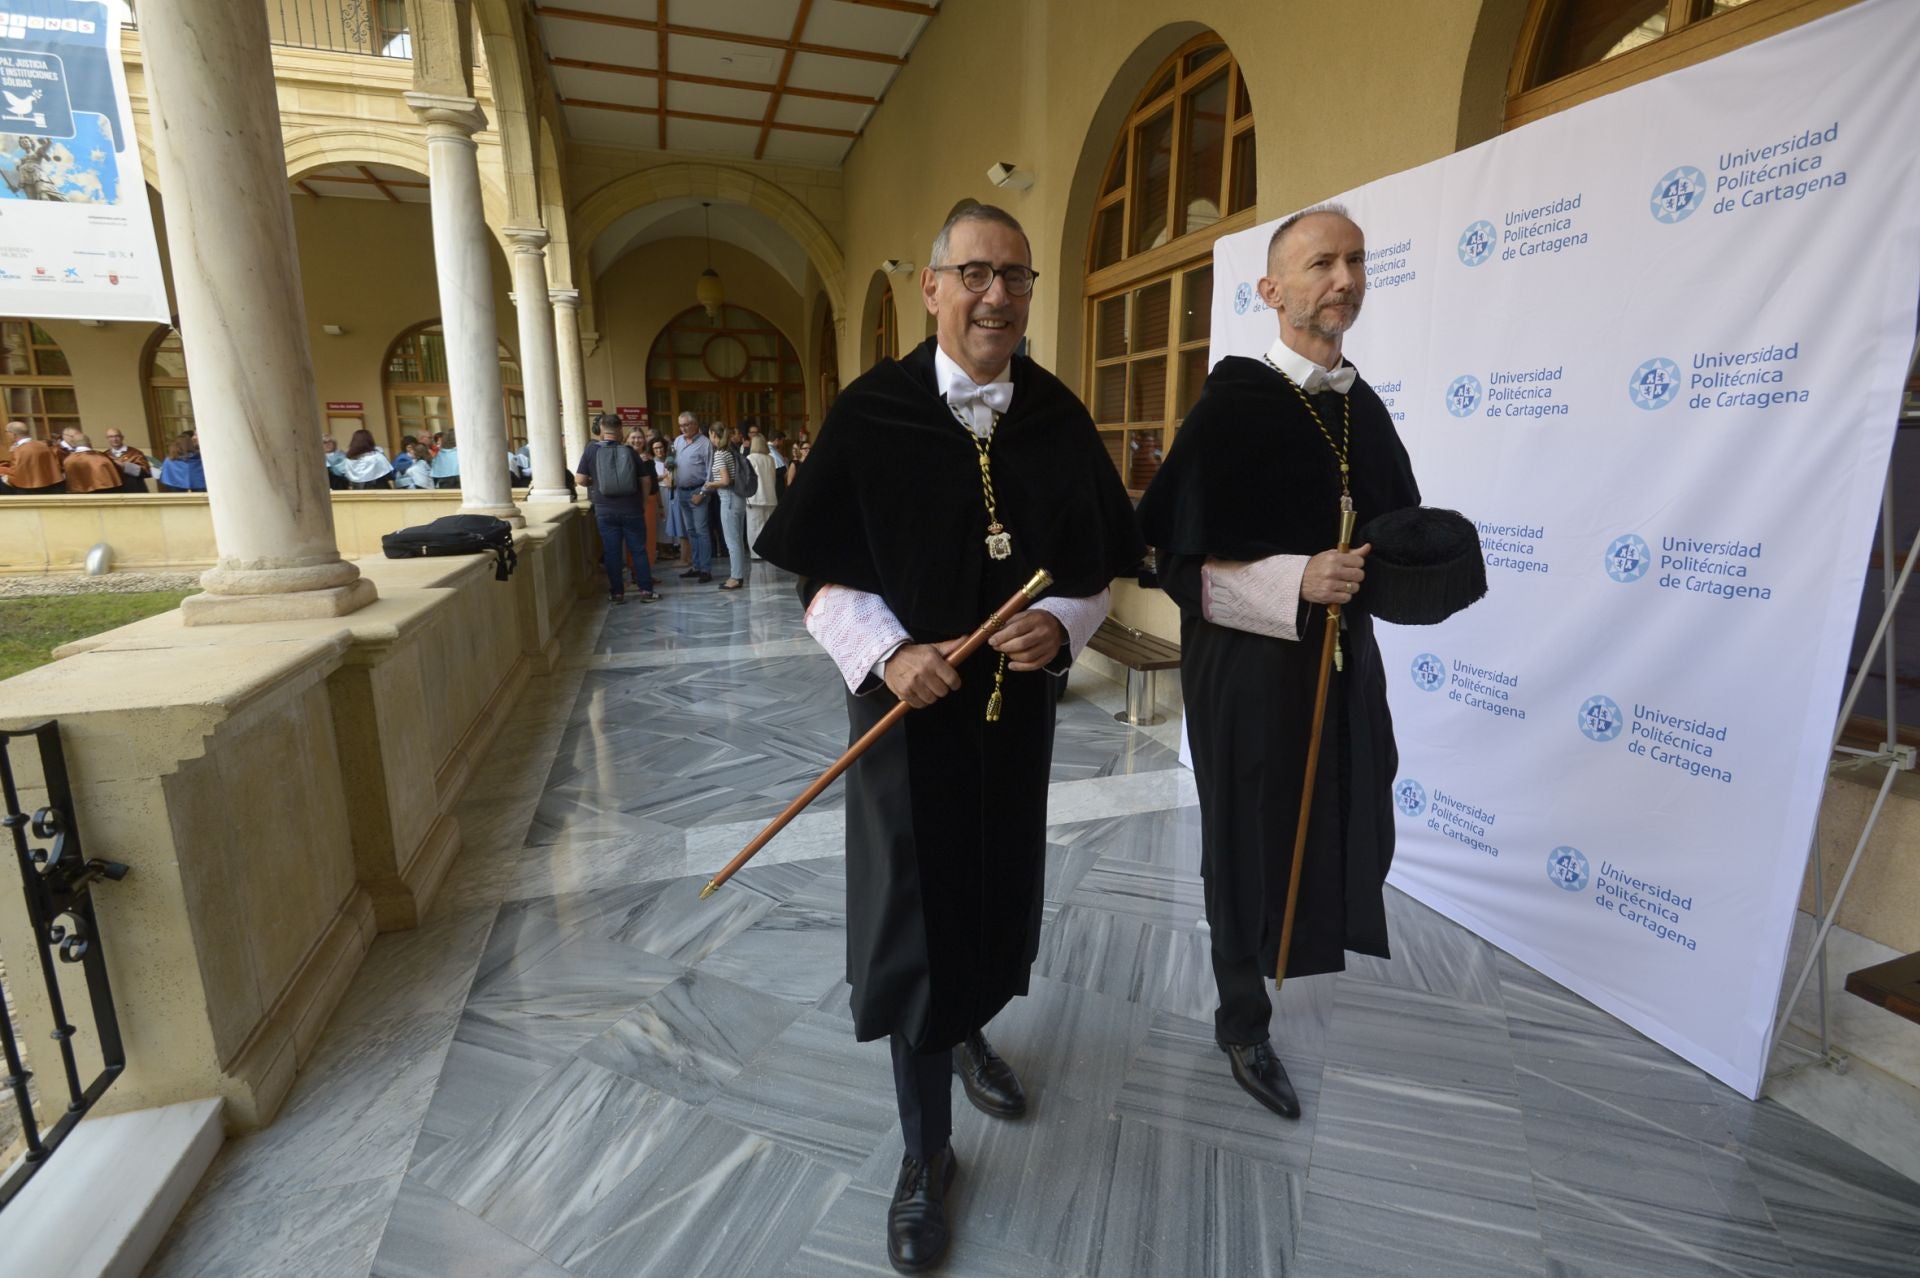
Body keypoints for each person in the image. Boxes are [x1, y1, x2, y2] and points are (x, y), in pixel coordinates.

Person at [755, 202, 1140, 1273]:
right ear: (931, 289)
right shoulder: (871, 413)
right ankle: (927, 1156)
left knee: (987, 894)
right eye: (975, 274)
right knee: (917, 921)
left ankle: (969, 1027)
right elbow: (818, 571)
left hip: (1012, 726)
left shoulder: (1057, 418)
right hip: (905, 726)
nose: (998, 297)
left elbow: (1094, 569)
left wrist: (1055, 623)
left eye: (1015, 278)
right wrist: (888, 655)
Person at [1136, 205, 1420, 1122]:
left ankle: (1302, 947)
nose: (1344, 279)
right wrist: (1301, 577)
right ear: (1273, 291)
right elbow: (1175, 564)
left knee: (1345, 813)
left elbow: (1391, 535)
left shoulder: (1363, 410)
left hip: (1340, 676)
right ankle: (1242, 1019)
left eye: (1356, 261)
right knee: (1242, 839)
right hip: (1249, 676)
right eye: (1320, 264)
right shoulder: (1233, 405)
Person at [575, 415, 659, 604]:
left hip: (605, 510)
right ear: (620, 430)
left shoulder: (591, 450)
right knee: (638, 550)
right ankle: (646, 591)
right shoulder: (629, 451)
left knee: (612, 552)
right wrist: (643, 501)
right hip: (632, 509)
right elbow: (645, 480)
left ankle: (617, 594)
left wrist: (595, 482)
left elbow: (580, 479)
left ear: (602, 430)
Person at [702, 422, 749, 590]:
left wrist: (710, 484)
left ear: (714, 434)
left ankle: (736, 577)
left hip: (728, 498)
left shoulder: (721, 454)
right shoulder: (731, 451)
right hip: (738, 498)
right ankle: (739, 575)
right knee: (737, 538)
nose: (710, 438)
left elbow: (725, 481)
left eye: (710, 435)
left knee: (732, 540)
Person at [671, 410, 713, 583]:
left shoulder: (705, 444)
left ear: (695, 424)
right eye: (681, 426)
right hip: (682, 491)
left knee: (702, 531)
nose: (683, 429)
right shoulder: (678, 441)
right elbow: (673, 461)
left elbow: (711, 472)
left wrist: (703, 493)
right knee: (691, 531)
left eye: (687, 425)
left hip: (698, 491)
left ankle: (705, 569)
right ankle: (696, 566)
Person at [0, 420, 64, 493]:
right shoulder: (43, 445)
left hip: (27, 489)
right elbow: (56, 464)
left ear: (13, 434)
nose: (6, 435)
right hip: (51, 485)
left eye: (6, 432)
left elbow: (16, 473)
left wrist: (6, 478)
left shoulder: (20, 451)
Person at [743, 435, 779, 557]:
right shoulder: (771, 459)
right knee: (767, 527)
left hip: (755, 497)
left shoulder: (750, 458)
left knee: (754, 527)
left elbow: (748, 479)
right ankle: (767, 552)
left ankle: (756, 554)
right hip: (770, 497)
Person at [649, 436, 679, 562]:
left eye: (661, 447)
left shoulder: (670, 460)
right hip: (659, 493)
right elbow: (649, 479)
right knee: (662, 522)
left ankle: (671, 547)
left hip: (672, 492)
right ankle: (662, 549)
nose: (659, 450)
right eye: (656, 448)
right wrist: (660, 478)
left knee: (671, 520)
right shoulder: (651, 463)